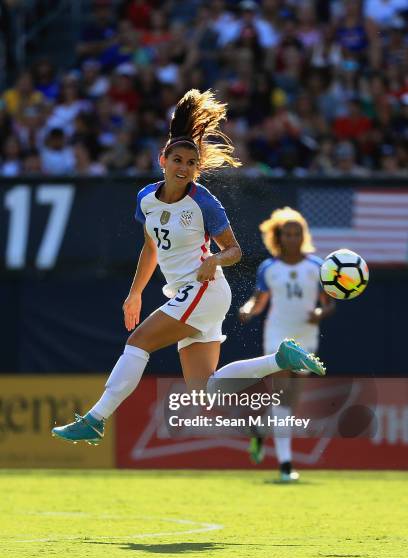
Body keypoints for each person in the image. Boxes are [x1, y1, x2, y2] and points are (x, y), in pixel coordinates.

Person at [52, 90, 325, 446]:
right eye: (177, 160)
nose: (183, 168)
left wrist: (214, 258)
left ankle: (95, 418)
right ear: (162, 159)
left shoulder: (204, 203)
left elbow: (235, 251)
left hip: (204, 289)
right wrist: (134, 293)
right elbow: (151, 248)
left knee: (138, 343)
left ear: (196, 168)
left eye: (190, 163)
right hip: (192, 294)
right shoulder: (146, 199)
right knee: (207, 392)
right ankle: (280, 358)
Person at [239, 207, 334, 482]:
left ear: (303, 236)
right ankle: (285, 465)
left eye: (297, 233)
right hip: (278, 335)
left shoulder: (317, 267)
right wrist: (247, 310)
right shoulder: (269, 268)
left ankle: (259, 430)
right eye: (287, 234)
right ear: (278, 237)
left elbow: (328, 305)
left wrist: (319, 313)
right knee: (281, 396)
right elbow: (258, 301)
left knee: (291, 401)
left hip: (306, 336)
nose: (292, 238)